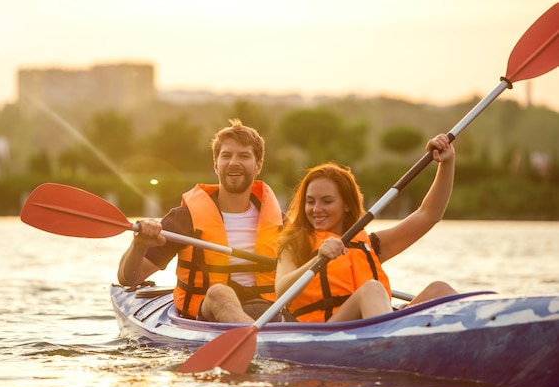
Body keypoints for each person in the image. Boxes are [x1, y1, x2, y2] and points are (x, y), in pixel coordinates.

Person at [275, 133, 458, 323]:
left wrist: (446, 163)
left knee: (439, 290)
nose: (316, 209)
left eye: (327, 201)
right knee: (372, 289)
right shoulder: (294, 244)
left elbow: (428, 215)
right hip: (327, 332)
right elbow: (281, 291)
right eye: (310, 201)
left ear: (347, 205)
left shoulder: (371, 245)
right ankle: (390, 342)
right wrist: (318, 259)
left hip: (374, 328)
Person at [118, 119, 284, 324]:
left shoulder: (282, 224)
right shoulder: (184, 219)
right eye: (226, 156)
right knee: (219, 294)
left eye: (244, 156)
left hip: (268, 313)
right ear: (216, 165)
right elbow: (129, 279)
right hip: (206, 315)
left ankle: (258, 340)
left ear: (258, 166)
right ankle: (258, 346)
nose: (234, 162)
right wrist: (138, 244)